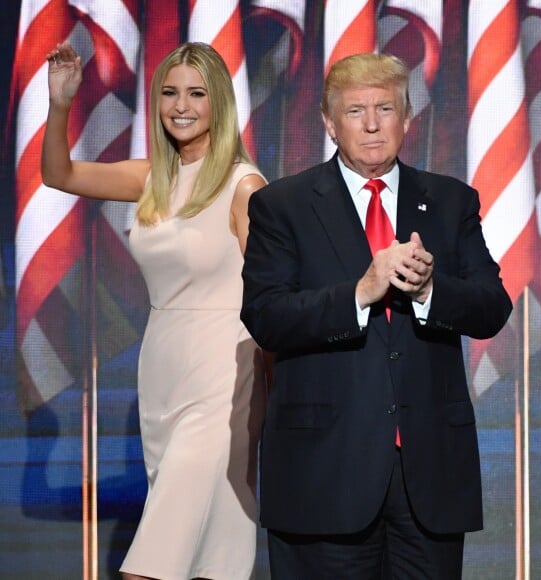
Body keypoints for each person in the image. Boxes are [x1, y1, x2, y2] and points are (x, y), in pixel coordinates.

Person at [241, 52, 513, 579]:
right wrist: (361, 293)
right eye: (355, 111)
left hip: (427, 478)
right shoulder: (284, 206)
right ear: (328, 122)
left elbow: (492, 306)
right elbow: (266, 315)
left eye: (385, 108)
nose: (371, 124)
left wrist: (431, 289)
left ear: (406, 118)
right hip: (324, 473)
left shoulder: (451, 201)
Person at [42, 41, 267, 580]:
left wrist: (274, 395)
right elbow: (60, 176)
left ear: (219, 103)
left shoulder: (244, 186)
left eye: (196, 93)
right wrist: (59, 105)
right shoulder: (152, 178)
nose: (180, 105)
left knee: (152, 561)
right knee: (213, 549)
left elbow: (272, 294)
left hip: (226, 376)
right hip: (164, 370)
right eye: (169, 92)